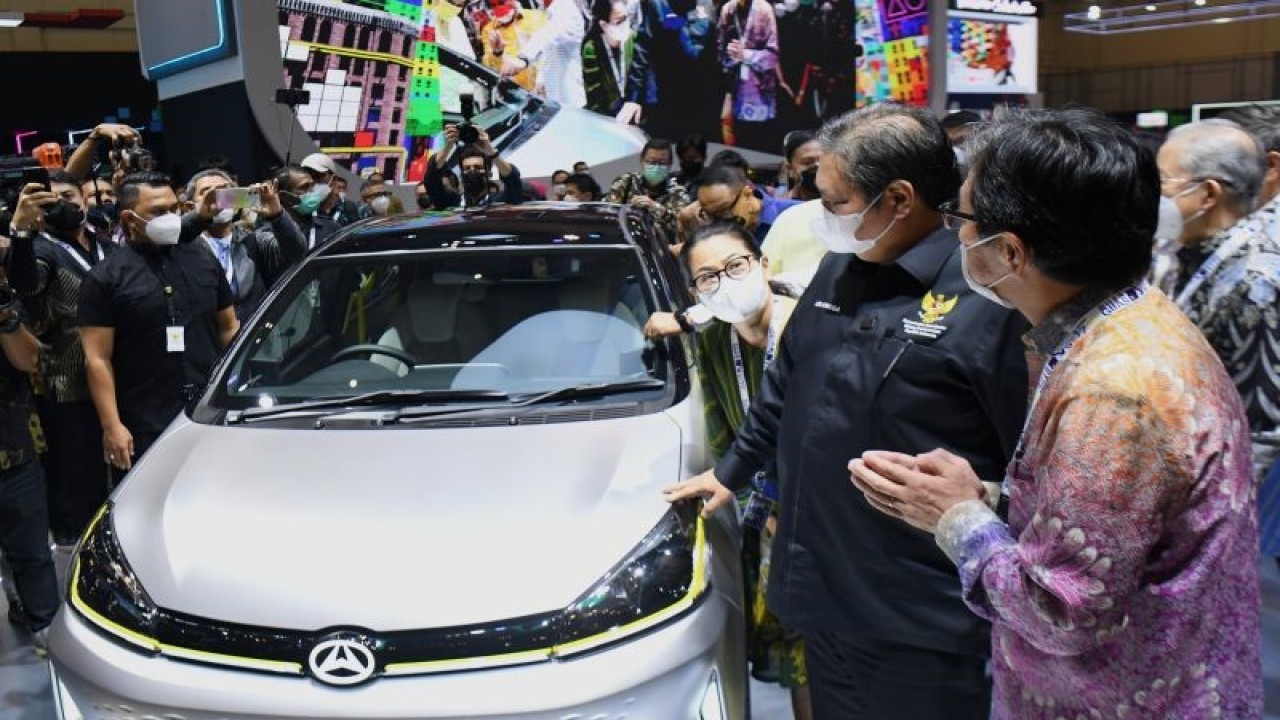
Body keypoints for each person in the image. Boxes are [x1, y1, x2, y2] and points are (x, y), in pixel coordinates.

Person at [849, 107, 1263, 719]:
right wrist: (987, 496)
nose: (956, 236)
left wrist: (956, 517)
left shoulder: (1112, 393)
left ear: (1010, 250)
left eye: (962, 218)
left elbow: (1062, 610)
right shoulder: (1129, 317)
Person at [662, 104, 1028, 718]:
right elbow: (786, 387)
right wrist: (727, 474)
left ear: (898, 199)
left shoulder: (985, 299)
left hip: (916, 615)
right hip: (821, 590)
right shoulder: (840, 269)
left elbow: (1030, 465)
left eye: (833, 202)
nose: (820, 216)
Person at [678, 222, 810, 720]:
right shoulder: (713, 341)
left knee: (833, 649)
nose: (726, 283)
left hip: (825, 515)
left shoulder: (807, 328)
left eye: (735, 266)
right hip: (766, 516)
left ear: (763, 265)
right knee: (796, 655)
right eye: (708, 278)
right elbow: (720, 428)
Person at [78, 172, 239, 471]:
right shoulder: (107, 276)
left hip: (212, 409)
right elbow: (97, 358)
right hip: (145, 419)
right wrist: (112, 425)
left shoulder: (202, 258)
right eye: (158, 212)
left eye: (174, 209)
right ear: (129, 218)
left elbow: (229, 326)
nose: (171, 217)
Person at [1156, 120, 1280, 479]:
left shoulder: (1257, 281)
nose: (1153, 195)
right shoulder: (1180, 253)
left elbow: (1263, 428)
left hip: (1226, 492)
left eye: (1162, 182)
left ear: (1208, 194)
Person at [6, 172, 115, 549]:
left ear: (84, 197)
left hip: (120, 371)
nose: (60, 203)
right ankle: (79, 545)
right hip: (67, 377)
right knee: (79, 470)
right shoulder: (41, 249)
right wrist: (20, 232)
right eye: (48, 199)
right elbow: (27, 285)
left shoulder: (105, 243)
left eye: (67, 195)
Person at [0, 287, 57, 652]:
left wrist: (5, 314)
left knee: (32, 551)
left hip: (12, 446)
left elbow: (31, 360)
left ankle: (43, 626)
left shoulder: (6, 301)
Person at [181, 169, 306, 322]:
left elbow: (297, 253)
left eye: (225, 193)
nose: (219, 200)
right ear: (189, 207)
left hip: (248, 339)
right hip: (206, 338)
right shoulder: (183, 248)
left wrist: (277, 216)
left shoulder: (255, 241)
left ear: (236, 203)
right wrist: (198, 218)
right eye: (209, 194)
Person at [500, 0, 589, 107]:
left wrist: (523, 58)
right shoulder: (550, 13)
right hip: (554, 98)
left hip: (570, 100)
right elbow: (550, 50)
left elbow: (549, 35)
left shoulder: (566, 9)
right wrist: (541, 79)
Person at [716, 0, 779, 150]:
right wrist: (731, 56)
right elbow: (720, 54)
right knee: (736, 147)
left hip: (760, 94)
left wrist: (745, 55)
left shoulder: (764, 10)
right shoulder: (728, 10)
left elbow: (772, 57)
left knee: (758, 147)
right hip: (735, 91)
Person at [604, 139, 692, 239]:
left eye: (662, 163)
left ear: (670, 164)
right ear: (641, 161)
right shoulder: (626, 182)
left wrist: (658, 209)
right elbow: (606, 214)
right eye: (651, 162)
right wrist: (628, 210)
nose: (656, 167)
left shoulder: (678, 193)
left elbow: (684, 228)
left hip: (661, 248)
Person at [423, 124, 525, 209]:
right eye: (467, 168)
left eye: (477, 167)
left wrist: (491, 153)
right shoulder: (453, 204)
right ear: (461, 174)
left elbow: (512, 179)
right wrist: (447, 147)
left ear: (489, 173)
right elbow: (432, 180)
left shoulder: (501, 201)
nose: (472, 171)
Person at [582, 0, 636, 116]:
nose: (625, 24)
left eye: (625, 18)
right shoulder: (592, 48)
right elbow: (594, 95)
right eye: (619, 21)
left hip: (633, 112)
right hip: (606, 117)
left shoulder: (632, 38)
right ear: (604, 25)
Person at [273, 164, 342, 250]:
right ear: (284, 196)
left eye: (312, 186)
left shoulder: (332, 229)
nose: (312, 191)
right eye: (304, 187)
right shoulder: (269, 234)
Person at [773, 130, 821, 201]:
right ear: (790, 169)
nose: (818, 165)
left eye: (823, 160)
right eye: (807, 162)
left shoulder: (841, 201)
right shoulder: (783, 208)